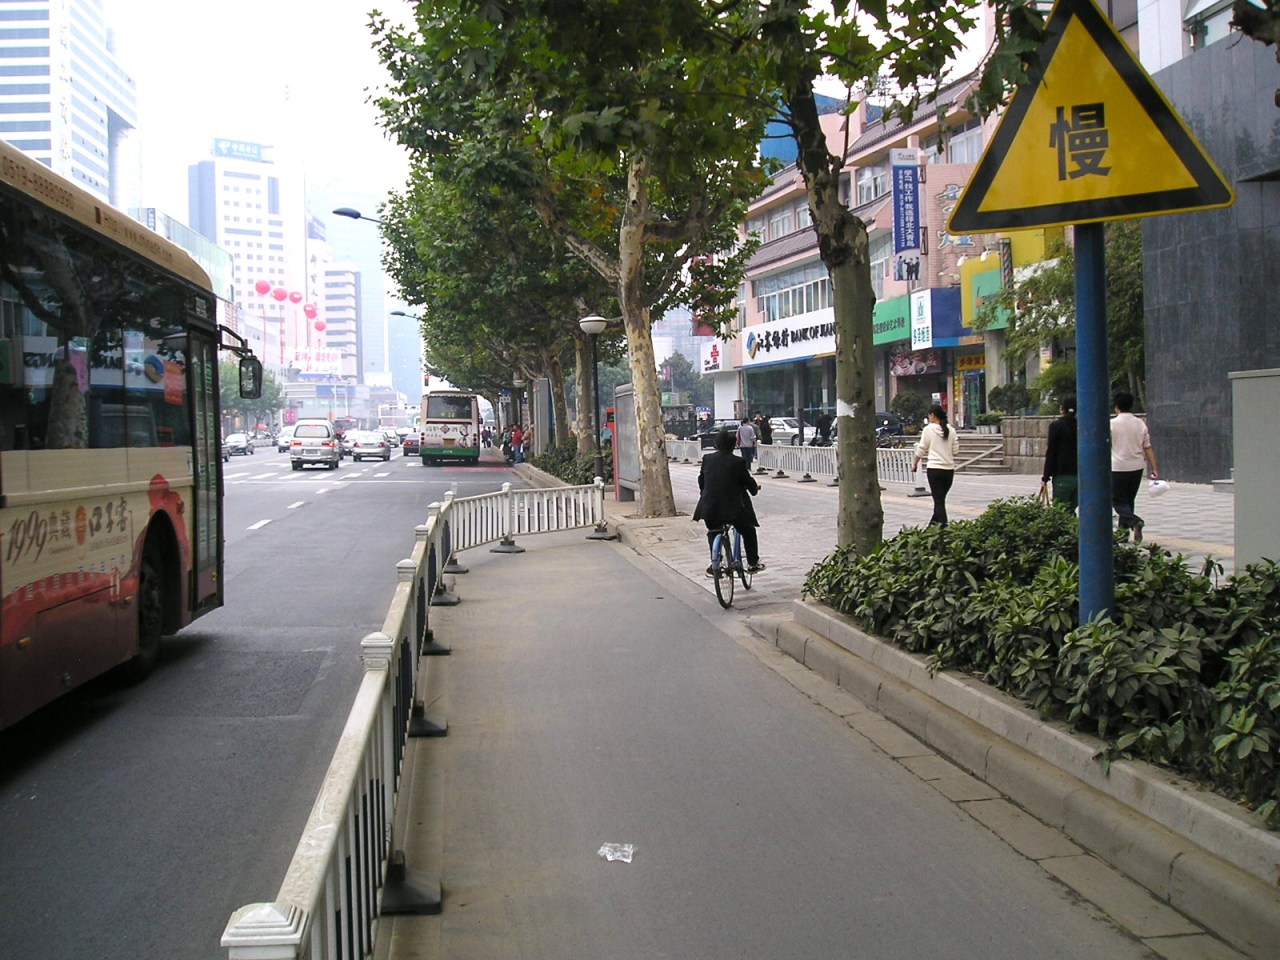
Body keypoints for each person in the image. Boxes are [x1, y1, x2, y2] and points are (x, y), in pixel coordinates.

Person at [693, 428, 764, 574]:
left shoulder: (707, 459)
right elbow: (747, 481)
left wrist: (705, 494)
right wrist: (754, 489)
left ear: (716, 444)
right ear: (734, 445)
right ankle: (752, 563)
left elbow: (701, 480)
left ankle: (715, 562)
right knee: (748, 531)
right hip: (734, 510)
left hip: (709, 507)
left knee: (713, 531)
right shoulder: (738, 462)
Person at [1110, 390, 1159, 543]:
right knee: (1129, 499)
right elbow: (1148, 447)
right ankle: (1123, 533)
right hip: (1137, 466)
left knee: (1117, 500)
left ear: (1116, 407)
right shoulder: (1140, 423)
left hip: (1118, 466)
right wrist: (1154, 468)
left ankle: (1134, 521)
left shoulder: (1111, 424)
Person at [912, 403, 960, 527]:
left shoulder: (928, 429)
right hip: (949, 470)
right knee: (940, 500)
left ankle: (944, 528)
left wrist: (915, 463)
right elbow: (955, 451)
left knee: (939, 502)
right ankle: (931, 527)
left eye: (929, 416)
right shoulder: (951, 430)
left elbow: (921, 449)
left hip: (934, 469)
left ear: (932, 415)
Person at [1041, 395, 1079, 512]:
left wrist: (1045, 476)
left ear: (1062, 408)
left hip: (1062, 475)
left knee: (1061, 512)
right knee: (1072, 510)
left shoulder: (1056, 426)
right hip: (1081, 476)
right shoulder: (1082, 425)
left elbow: (1051, 452)